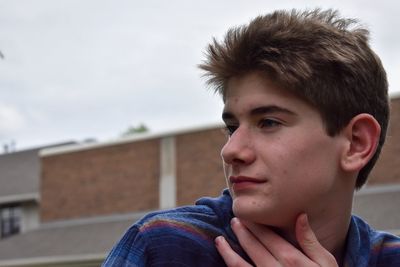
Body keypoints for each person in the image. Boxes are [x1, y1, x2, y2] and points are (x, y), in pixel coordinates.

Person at [103, 8, 400, 267]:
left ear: (356, 144)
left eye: (268, 122)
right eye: (232, 128)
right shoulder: (164, 248)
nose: (231, 150)